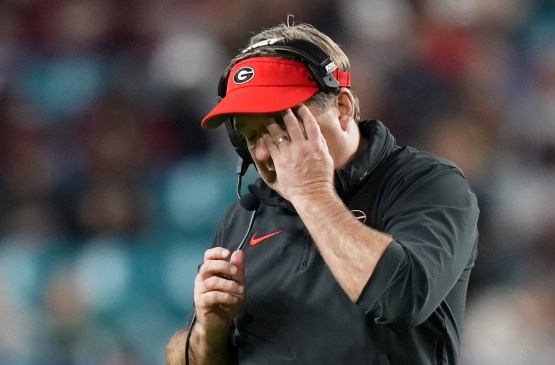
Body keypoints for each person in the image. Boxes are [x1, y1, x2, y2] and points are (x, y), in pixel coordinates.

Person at [165, 21, 479, 365]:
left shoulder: (426, 183)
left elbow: (403, 298)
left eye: (282, 126)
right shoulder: (244, 217)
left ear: (343, 108)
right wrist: (209, 333)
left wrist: (311, 193)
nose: (266, 153)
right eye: (251, 136)